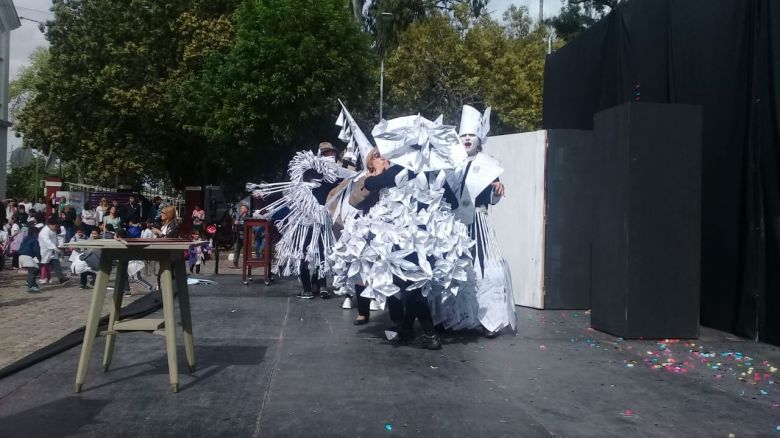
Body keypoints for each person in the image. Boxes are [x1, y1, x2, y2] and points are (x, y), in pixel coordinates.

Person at [444, 105, 514, 338]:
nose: (466, 139)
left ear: (479, 139)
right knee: (458, 268)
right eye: (463, 135)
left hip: (478, 224)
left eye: (471, 135)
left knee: (483, 268)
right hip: (457, 224)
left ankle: (488, 320)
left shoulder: (487, 163)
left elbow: (493, 196)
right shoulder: (454, 163)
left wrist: (496, 189)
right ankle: (460, 318)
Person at [38, 216, 70, 285]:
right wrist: (56, 248)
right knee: (43, 265)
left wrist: (58, 246)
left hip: (52, 251)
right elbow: (47, 241)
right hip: (45, 251)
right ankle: (37, 278)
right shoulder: (44, 232)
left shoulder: (53, 230)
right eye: (55, 226)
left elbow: (55, 239)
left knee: (56, 264)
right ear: (50, 225)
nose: (56, 228)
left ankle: (61, 278)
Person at [18, 225, 42, 293]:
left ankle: (32, 283)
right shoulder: (34, 240)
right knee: (33, 270)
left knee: (34, 269)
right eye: (38, 233)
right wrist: (39, 258)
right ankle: (31, 286)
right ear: (35, 233)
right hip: (27, 256)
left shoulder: (25, 239)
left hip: (21, 256)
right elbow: (36, 251)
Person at [231, 204, 249, 268]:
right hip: (238, 236)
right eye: (241, 208)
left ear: (246, 210)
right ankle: (235, 263)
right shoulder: (239, 217)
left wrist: (238, 224)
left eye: (243, 208)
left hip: (245, 236)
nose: (241, 209)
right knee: (236, 249)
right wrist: (234, 225)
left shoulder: (248, 217)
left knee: (246, 251)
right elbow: (236, 224)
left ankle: (246, 264)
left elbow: (246, 226)